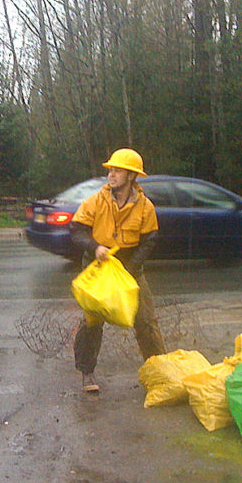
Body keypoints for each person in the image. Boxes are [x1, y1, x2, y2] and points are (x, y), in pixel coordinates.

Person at [70, 148, 167, 393]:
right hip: (99, 264)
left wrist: (130, 268)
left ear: (131, 176)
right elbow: (77, 231)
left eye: (117, 170)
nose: (111, 175)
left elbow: (150, 241)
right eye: (110, 170)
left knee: (146, 322)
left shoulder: (145, 207)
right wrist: (95, 247)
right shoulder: (95, 201)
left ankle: (158, 373)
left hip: (130, 266)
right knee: (92, 322)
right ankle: (87, 373)